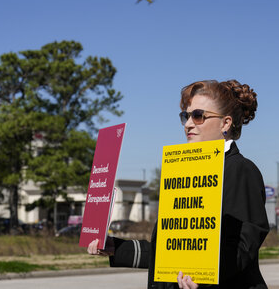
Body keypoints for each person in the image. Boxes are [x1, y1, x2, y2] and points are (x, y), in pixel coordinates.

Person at [88, 79, 269, 289]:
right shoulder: (184, 171)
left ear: (225, 123)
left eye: (198, 116)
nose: (188, 123)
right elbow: (172, 251)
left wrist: (201, 279)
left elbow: (242, 248)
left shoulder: (240, 169)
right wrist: (115, 247)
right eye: (186, 115)